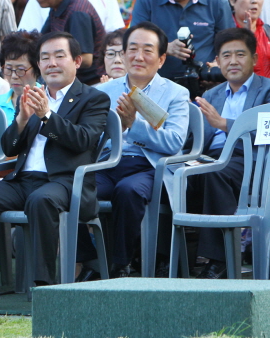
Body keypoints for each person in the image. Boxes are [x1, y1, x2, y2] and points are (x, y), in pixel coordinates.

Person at [0, 32, 110, 310]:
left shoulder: (92, 99)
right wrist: (21, 118)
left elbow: (83, 140)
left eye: (59, 56)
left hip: (65, 181)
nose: (51, 63)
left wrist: (46, 116)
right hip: (23, 179)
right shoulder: (35, 94)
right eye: (45, 58)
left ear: (77, 61)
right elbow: (10, 146)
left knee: (41, 200)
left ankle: (44, 288)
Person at [80, 22, 190, 277]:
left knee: (127, 191)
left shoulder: (176, 93)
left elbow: (174, 142)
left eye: (148, 50)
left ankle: (122, 264)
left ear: (161, 59)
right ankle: (91, 261)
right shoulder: (102, 91)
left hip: (150, 166)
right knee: (72, 188)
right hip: (109, 163)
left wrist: (134, 125)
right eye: (132, 49)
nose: (138, 57)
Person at [189, 27, 270, 279]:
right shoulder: (211, 93)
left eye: (240, 54)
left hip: (252, 160)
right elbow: (199, 138)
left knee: (215, 173)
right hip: (211, 158)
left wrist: (223, 123)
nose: (233, 61)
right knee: (174, 176)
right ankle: (177, 258)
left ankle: (220, 258)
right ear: (218, 61)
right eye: (226, 55)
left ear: (255, 59)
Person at [20, 0, 106, 86]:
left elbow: (86, 59)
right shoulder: (57, 5)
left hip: (90, 86)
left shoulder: (77, 12)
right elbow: (42, 41)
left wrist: (52, 63)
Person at [0, 30, 40, 123]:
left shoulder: (48, 101)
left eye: (20, 69)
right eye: (8, 68)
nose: (14, 76)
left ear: (37, 68)